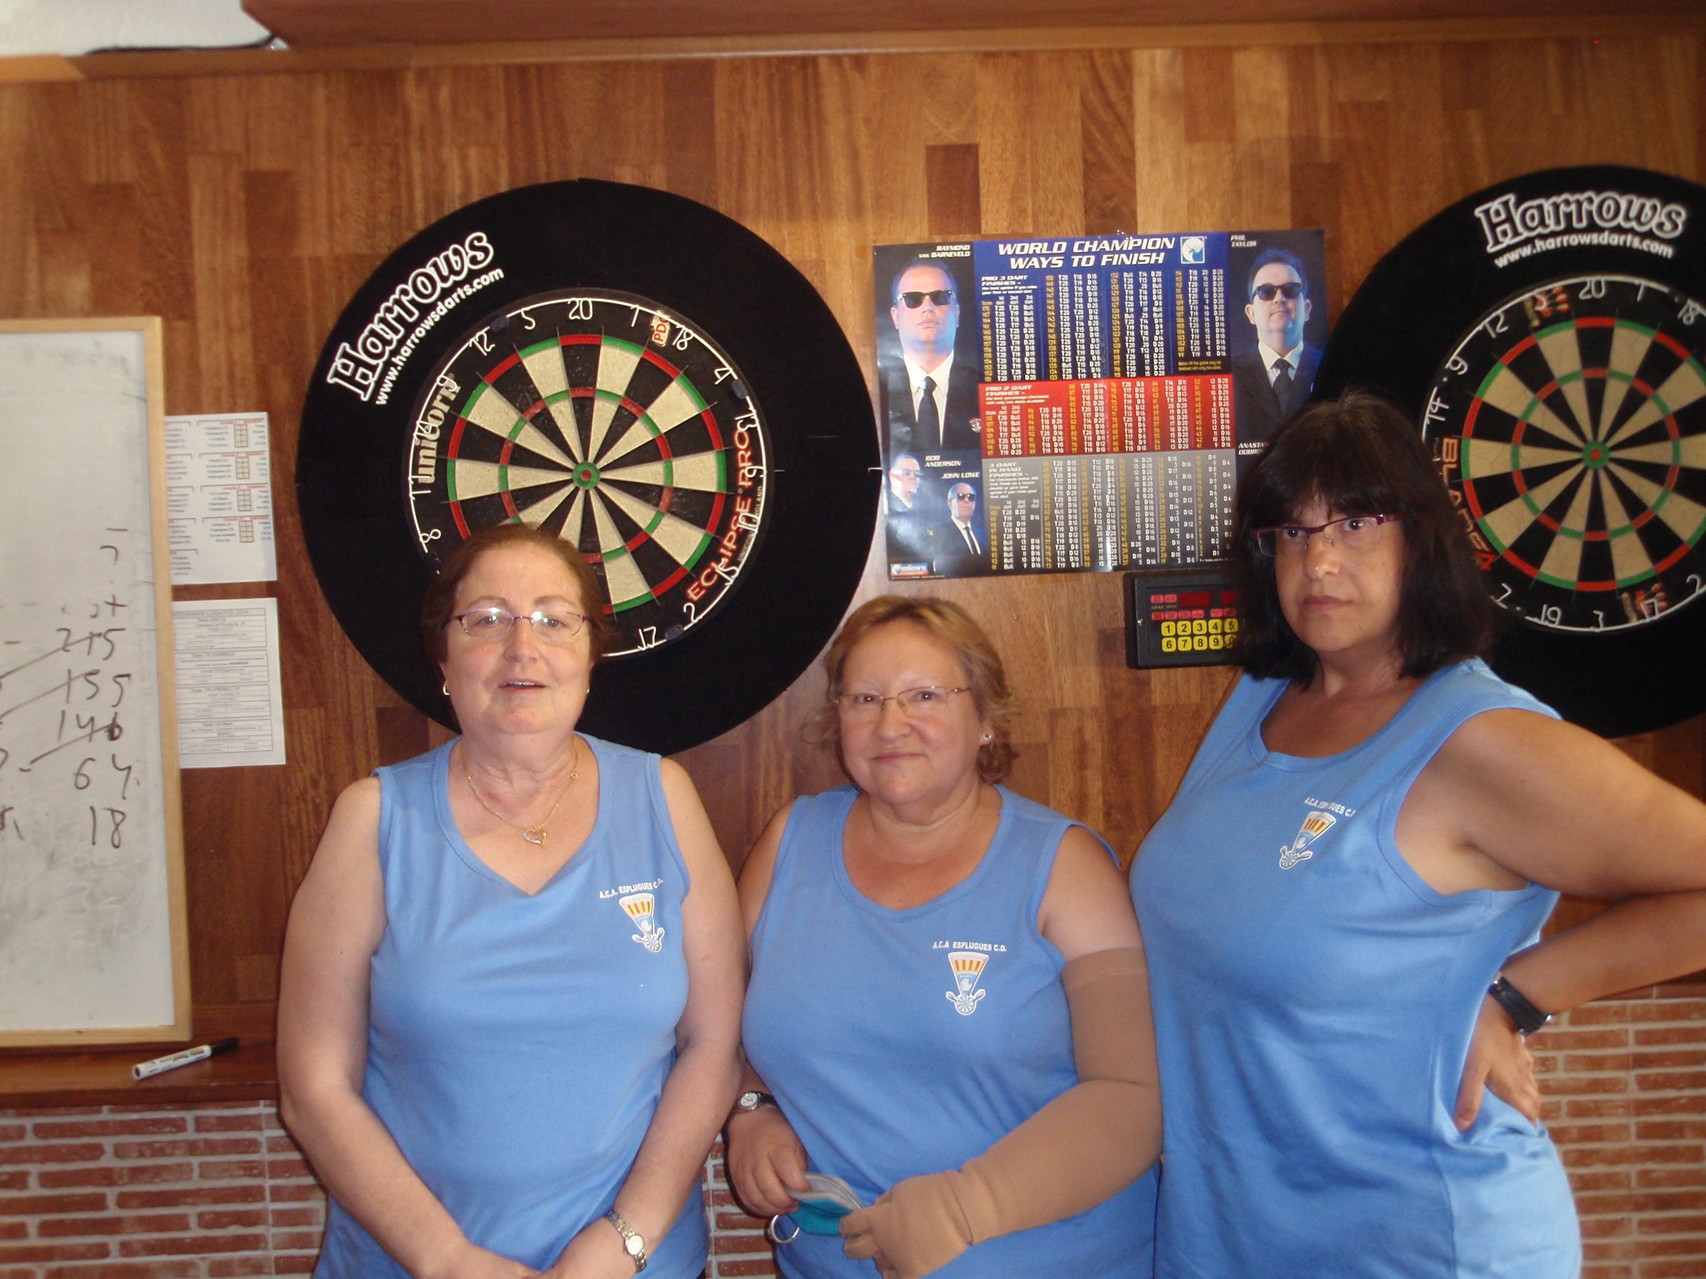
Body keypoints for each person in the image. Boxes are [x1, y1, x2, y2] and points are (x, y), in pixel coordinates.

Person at [1129, 390, 1706, 1279]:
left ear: (1419, 542)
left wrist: (1516, 994)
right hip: (1236, 1231)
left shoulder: (1480, 738)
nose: (1317, 558)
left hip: (1415, 1239)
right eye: (1290, 530)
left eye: (1355, 522)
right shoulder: (1258, 701)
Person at [277, 522, 744, 1279]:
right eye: (487, 619)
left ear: (591, 655)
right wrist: (448, 1260)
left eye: (555, 619)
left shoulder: (664, 799)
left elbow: (714, 1047)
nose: (522, 648)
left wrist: (623, 1240)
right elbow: (313, 1089)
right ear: (444, 659)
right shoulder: (373, 819)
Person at [731, 596, 1160, 1279]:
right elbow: (738, 1020)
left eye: (924, 695)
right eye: (864, 698)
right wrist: (754, 1106)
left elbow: (1134, 1094)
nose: (890, 723)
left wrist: (966, 1207)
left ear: (985, 717)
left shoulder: (1063, 866)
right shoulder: (791, 842)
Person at [882, 259, 981, 458]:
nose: (928, 307)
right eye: (913, 299)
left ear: (957, 312)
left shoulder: (985, 388)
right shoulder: (879, 393)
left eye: (940, 297)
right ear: (895, 316)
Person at [1229, 246, 1322, 443]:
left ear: (1306, 309)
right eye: (1266, 292)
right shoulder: (1227, 375)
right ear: (1251, 313)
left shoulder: (1329, 366)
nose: (1279, 298)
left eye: (1290, 290)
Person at [926, 483, 986, 577]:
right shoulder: (938, 533)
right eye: (961, 496)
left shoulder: (982, 534)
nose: (967, 500)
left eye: (971, 497)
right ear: (950, 502)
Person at [884, 452, 930, 564]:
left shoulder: (922, 510)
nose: (912, 477)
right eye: (906, 472)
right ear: (891, 475)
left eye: (917, 474)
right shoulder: (887, 510)